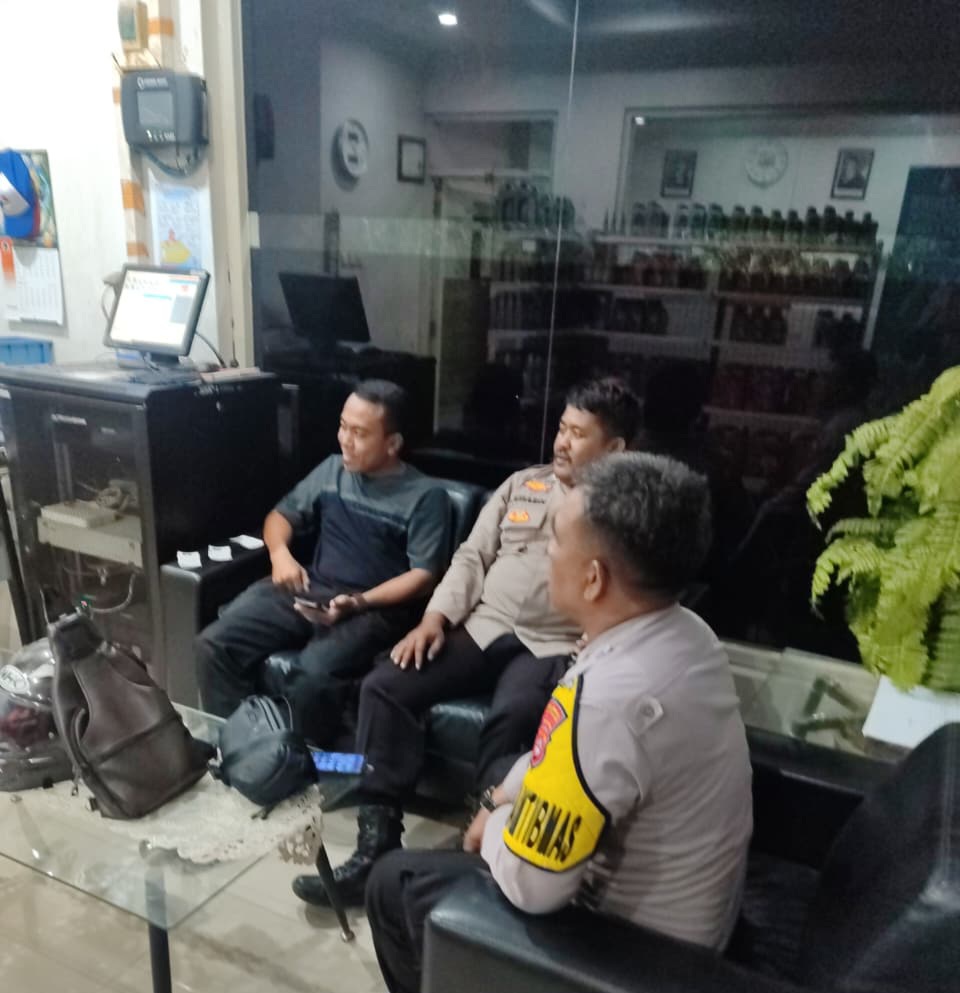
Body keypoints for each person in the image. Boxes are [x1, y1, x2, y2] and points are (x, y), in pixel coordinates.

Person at [365, 453, 754, 993]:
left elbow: (533, 887)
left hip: (637, 952)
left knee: (393, 883)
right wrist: (501, 797)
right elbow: (559, 756)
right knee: (500, 775)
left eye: (555, 541)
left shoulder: (610, 700)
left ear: (593, 579)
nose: (545, 553)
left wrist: (494, 825)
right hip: (696, 919)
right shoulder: (687, 631)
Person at [292, 378, 642, 907]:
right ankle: (375, 846)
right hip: (483, 624)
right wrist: (434, 618)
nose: (562, 442)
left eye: (578, 434)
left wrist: (595, 644)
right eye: (561, 428)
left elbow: (628, 593)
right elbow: (473, 556)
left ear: (614, 448)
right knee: (386, 684)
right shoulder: (523, 484)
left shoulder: (623, 514)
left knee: (513, 717)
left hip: (552, 643)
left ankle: (479, 863)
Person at [194, 380, 452, 741]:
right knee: (214, 645)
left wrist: (358, 602)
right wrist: (280, 555)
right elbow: (279, 517)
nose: (345, 440)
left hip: (372, 609)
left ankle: (305, 761)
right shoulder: (332, 470)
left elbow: (423, 576)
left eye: (359, 433)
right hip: (312, 588)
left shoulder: (426, 497)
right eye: (343, 426)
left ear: (392, 444)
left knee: (311, 677)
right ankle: (245, 747)